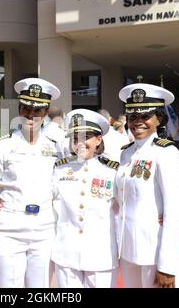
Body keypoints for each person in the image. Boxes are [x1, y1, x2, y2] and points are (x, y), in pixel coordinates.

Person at [0, 77, 61, 288]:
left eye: (38, 110)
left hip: (44, 230)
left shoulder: (57, 147)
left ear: (45, 113)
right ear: (19, 109)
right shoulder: (1, 146)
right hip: (8, 230)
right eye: (26, 108)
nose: (31, 114)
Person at [115, 83, 179, 288]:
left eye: (145, 116)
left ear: (158, 119)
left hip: (154, 252)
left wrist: (167, 265)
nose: (138, 122)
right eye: (132, 117)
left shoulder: (165, 152)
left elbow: (175, 210)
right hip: (128, 251)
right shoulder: (126, 153)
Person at [51, 109, 119, 288]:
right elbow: (43, 198)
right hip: (66, 253)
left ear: (98, 139)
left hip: (100, 255)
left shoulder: (112, 171)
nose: (80, 143)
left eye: (85, 137)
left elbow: (126, 207)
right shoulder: (60, 170)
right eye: (75, 138)